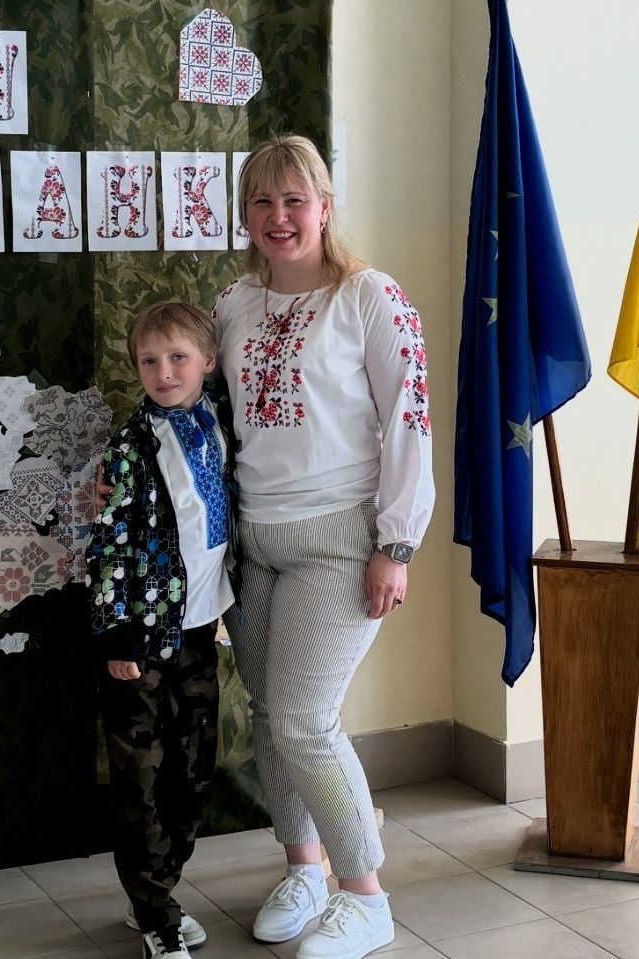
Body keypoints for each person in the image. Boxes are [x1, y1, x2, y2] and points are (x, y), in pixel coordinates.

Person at [213, 134, 434, 959]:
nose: (279, 216)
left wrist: (395, 543)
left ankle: (365, 897)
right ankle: (302, 868)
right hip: (254, 541)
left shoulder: (370, 297)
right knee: (269, 718)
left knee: (305, 721)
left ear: (324, 206)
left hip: (338, 540)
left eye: (294, 199)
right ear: (245, 213)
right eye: (262, 201)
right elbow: (202, 417)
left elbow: (409, 419)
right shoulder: (233, 304)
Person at [85, 301, 237, 959]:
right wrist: (117, 634)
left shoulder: (224, 419)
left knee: (194, 771)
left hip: (200, 629)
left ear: (208, 362)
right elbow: (110, 545)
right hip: (140, 639)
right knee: (140, 778)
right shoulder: (130, 447)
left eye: (178, 358)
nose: (164, 372)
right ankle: (157, 914)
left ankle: (155, 890)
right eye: (149, 361)